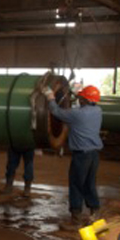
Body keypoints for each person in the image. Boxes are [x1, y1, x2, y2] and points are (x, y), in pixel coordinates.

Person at [45, 85, 103, 226]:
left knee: (76, 184)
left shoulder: (77, 114)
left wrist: (51, 98)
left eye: (81, 98)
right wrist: (76, 93)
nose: (79, 100)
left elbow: (56, 112)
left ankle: (76, 218)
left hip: (81, 156)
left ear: (84, 100)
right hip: (94, 155)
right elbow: (81, 106)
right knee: (90, 183)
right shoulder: (98, 110)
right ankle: (95, 212)